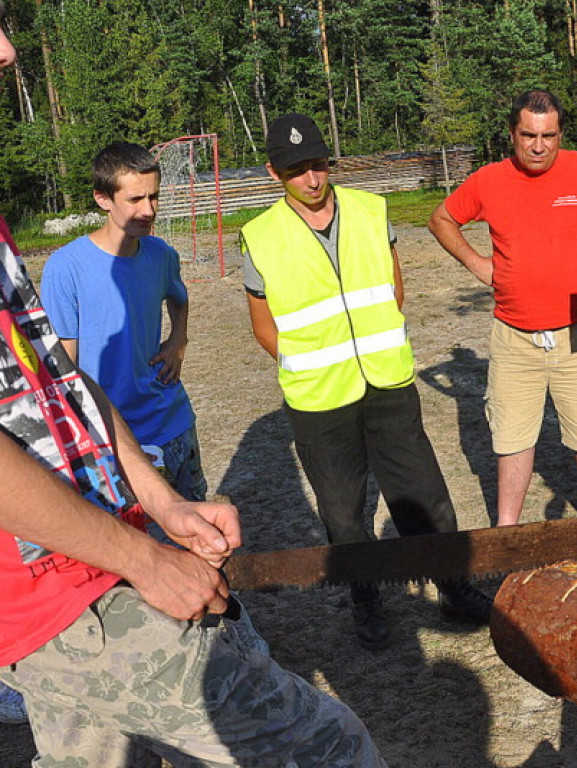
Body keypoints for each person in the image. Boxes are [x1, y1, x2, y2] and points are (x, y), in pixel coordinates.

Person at [0, 19, 387, 766]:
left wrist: (159, 501)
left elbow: (56, 382)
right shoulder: (74, 264)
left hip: (89, 546)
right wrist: (143, 560)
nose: (11, 50)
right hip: (55, 588)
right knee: (331, 749)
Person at [240, 113, 491, 651]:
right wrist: (311, 362)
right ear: (273, 173)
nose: (311, 179)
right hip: (317, 399)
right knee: (341, 509)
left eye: (317, 165)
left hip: (388, 382)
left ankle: (453, 586)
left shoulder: (371, 211)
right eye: (296, 171)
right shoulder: (259, 237)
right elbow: (264, 326)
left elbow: (393, 289)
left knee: (422, 494)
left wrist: (370, 345)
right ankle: (366, 600)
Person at [428, 90, 577, 560]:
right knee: (512, 441)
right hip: (513, 334)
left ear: (561, 134)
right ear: (512, 135)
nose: (538, 146)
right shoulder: (489, 180)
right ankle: (507, 538)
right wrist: (479, 265)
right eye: (528, 136)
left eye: (548, 136)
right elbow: (442, 218)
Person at [42, 142, 207, 505]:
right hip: (116, 440)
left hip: (174, 424)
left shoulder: (162, 255)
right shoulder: (65, 268)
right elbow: (63, 367)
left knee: (199, 532)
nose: (148, 210)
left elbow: (179, 299)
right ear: (103, 199)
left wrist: (178, 341)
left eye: (154, 197)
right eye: (135, 199)